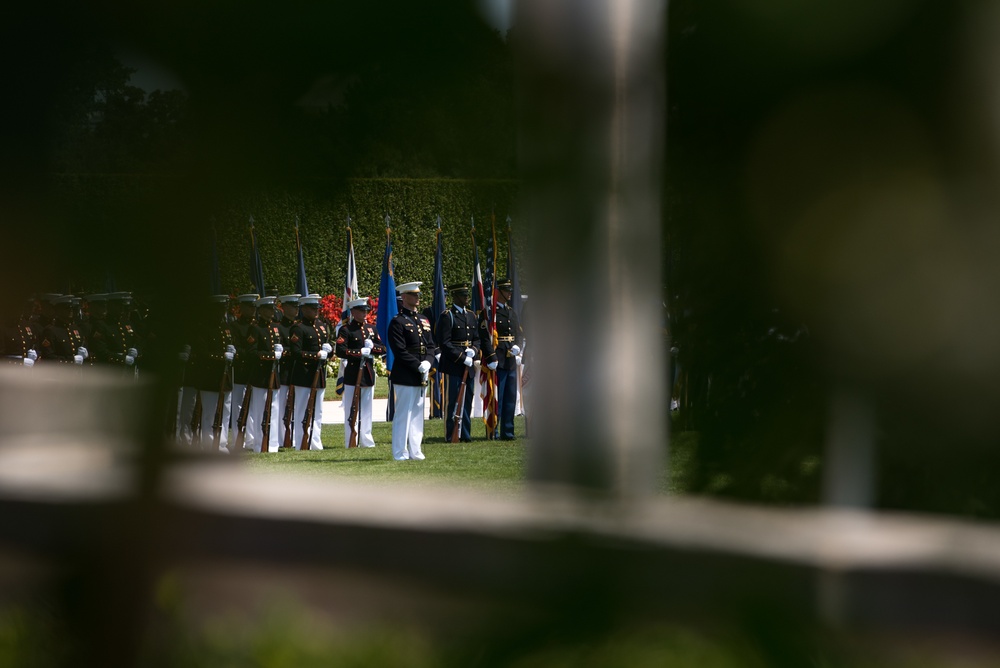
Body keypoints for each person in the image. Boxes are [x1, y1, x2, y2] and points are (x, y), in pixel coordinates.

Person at [387, 281, 437, 461]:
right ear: (404, 297)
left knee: (417, 414)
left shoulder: (423, 319)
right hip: (406, 373)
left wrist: (428, 363)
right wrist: (418, 365)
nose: (417, 298)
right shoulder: (397, 322)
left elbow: (431, 345)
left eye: (418, 295)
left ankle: (415, 450)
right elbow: (399, 351)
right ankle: (400, 451)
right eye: (413, 295)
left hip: (422, 372)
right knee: (403, 415)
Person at [336, 297, 387, 448]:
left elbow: (382, 348)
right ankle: (350, 439)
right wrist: (359, 352)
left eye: (366, 310)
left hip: (368, 374)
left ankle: (366, 439)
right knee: (351, 409)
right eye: (361, 311)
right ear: (353, 312)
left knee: (367, 409)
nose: (364, 313)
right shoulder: (346, 330)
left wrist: (372, 348)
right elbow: (340, 350)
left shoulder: (371, 328)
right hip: (353, 373)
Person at [435, 282, 480, 442]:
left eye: (467, 295)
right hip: (453, 364)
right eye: (463, 295)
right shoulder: (447, 316)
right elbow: (444, 343)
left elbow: (476, 338)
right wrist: (463, 358)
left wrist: (474, 351)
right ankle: (450, 434)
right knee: (453, 400)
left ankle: (465, 434)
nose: (467, 298)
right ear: (455, 297)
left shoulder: (471, 315)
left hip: (468, 364)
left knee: (467, 399)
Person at [192, 295, 236, 452]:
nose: (221, 313)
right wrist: (221, 356)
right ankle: (209, 445)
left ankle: (222, 443)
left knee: (225, 411)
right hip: (210, 377)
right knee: (210, 414)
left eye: (223, 310)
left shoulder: (226, 327)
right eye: (219, 310)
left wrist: (233, 351)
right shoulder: (203, 329)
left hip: (226, 377)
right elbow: (202, 353)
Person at [288, 294, 331, 450]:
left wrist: (329, 351)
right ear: (304, 309)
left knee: (318, 410)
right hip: (304, 374)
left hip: (319, 375)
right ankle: (301, 441)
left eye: (317, 308)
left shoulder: (320, 326)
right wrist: (316, 355)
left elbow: (326, 344)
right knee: (302, 409)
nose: (316, 311)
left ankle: (315, 441)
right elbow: (296, 353)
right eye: (313, 308)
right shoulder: (298, 328)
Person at [482, 278, 522, 440]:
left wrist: (518, 347)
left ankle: (508, 431)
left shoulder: (511, 311)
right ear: (498, 293)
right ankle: (494, 431)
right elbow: (485, 337)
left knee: (510, 398)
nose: (509, 293)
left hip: (510, 359)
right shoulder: (491, 314)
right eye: (506, 291)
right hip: (498, 359)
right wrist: (491, 356)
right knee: (497, 398)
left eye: (510, 291)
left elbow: (518, 332)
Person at [247, 296, 283, 453]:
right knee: (261, 409)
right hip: (261, 375)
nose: (271, 312)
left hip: (273, 375)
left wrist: (280, 352)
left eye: (272, 309)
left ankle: (272, 444)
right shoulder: (255, 329)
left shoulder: (275, 327)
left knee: (274, 410)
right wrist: (270, 356)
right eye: (268, 309)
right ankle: (259, 443)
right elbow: (252, 353)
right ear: (261, 311)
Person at [230, 293, 259, 449]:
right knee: (239, 406)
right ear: (241, 308)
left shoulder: (256, 326)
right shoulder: (235, 327)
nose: (252, 310)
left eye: (254, 307)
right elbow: (237, 348)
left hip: (255, 371)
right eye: (249, 307)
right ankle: (237, 439)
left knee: (254, 406)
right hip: (241, 369)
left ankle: (252, 439)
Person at [275, 294, 300, 448]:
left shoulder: (298, 326)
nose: (296, 309)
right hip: (284, 372)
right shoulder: (279, 327)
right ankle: (280, 438)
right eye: (292, 306)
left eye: (297, 306)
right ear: (283, 308)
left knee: (297, 407)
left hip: (297, 372)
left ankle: (295, 437)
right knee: (281, 407)